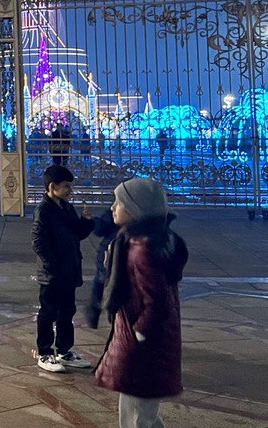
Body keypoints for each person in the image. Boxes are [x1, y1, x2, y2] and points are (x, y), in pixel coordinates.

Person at [95, 179, 187, 428]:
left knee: (138, 413)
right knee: (138, 408)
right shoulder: (143, 241)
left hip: (143, 344)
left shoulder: (141, 250)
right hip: (141, 340)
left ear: (136, 210)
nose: (112, 208)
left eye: (119, 202)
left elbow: (157, 301)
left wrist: (139, 333)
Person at [31, 164, 95, 372]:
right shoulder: (44, 211)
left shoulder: (66, 208)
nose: (70, 190)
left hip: (69, 271)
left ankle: (64, 351)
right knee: (48, 312)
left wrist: (86, 223)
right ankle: (44, 353)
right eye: (66, 186)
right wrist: (52, 264)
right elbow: (38, 241)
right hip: (52, 274)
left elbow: (77, 234)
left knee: (67, 312)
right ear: (52, 186)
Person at [84, 207, 118, 329]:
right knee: (102, 281)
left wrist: (94, 221)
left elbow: (100, 229)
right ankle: (97, 310)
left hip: (108, 256)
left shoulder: (114, 213)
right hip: (108, 257)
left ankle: (96, 310)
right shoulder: (115, 214)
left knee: (101, 282)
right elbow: (100, 229)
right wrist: (94, 221)